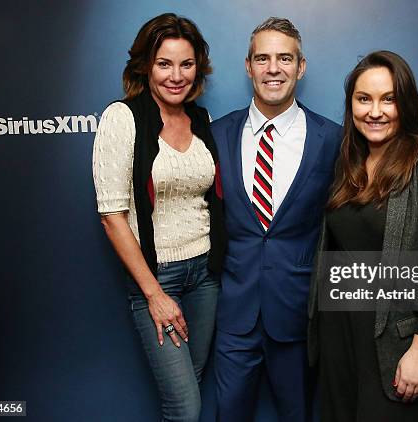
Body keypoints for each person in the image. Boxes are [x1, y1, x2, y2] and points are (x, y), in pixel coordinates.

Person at [307, 50, 418, 421]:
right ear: (351, 104)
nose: (374, 111)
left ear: (406, 102)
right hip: (339, 337)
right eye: (364, 99)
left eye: (388, 99)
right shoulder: (347, 160)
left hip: (398, 342)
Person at [92, 13, 225, 422]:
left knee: (193, 387)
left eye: (186, 64)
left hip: (205, 274)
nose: (176, 75)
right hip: (158, 276)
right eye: (164, 63)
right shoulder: (123, 117)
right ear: (145, 66)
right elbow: (112, 215)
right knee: (184, 408)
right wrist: (154, 294)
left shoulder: (199, 119)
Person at [210, 17, 342, 422]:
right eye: (263, 58)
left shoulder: (333, 138)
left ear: (300, 68)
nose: (273, 68)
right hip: (234, 313)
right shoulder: (214, 135)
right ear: (248, 66)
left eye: (285, 58)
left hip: (299, 315)